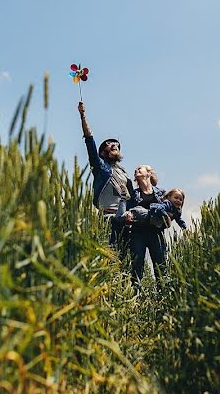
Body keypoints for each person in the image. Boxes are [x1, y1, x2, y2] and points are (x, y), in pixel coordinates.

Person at [78, 101, 134, 258]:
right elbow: (89, 140)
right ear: (102, 153)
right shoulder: (101, 168)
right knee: (109, 258)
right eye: (108, 144)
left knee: (125, 260)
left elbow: (133, 198)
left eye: (115, 144)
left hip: (126, 222)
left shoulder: (124, 174)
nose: (113, 144)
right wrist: (83, 116)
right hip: (108, 221)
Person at [124, 165, 169, 289]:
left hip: (156, 234)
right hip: (137, 234)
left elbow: (171, 209)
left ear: (148, 173)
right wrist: (127, 217)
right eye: (135, 170)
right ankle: (136, 299)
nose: (136, 170)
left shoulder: (161, 193)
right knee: (137, 267)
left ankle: (163, 298)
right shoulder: (133, 194)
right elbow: (127, 212)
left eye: (140, 168)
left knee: (161, 267)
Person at [121, 187, 188, 231]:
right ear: (169, 197)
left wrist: (184, 228)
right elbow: (159, 209)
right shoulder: (168, 204)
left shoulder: (177, 211)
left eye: (180, 199)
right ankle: (123, 200)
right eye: (176, 198)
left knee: (134, 222)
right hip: (145, 214)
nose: (178, 200)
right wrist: (167, 217)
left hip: (149, 222)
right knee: (122, 217)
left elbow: (179, 220)